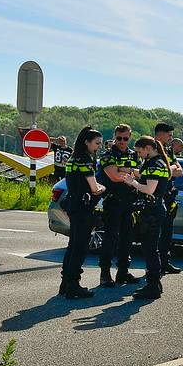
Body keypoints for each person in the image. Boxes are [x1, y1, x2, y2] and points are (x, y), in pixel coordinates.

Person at [59, 126, 107, 299]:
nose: (99, 147)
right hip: (84, 208)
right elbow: (94, 188)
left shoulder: (72, 159)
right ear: (86, 142)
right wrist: (102, 187)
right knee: (80, 248)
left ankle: (65, 283)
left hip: (73, 205)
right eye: (96, 143)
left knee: (72, 246)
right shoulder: (85, 160)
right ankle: (74, 285)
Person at [120, 136, 170, 300]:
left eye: (140, 151)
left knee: (149, 249)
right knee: (150, 248)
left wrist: (132, 183)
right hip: (155, 210)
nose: (140, 155)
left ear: (148, 148)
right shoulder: (158, 162)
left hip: (152, 212)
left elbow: (149, 189)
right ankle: (155, 284)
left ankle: (152, 286)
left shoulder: (155, 164)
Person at [97, 123, 140, 287]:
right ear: (114, 137)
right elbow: (114, 176)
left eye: (125, 138)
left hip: (129, 201)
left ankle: (123, 272)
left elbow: (138, 174)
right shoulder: (108, 154)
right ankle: (105, 273)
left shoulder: (133, 154)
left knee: (127, 238)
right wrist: (128, 173)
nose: (122, 141)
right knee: (110, 238)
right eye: (119, 138)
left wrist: (124, 171)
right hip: (113, 200)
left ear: (130, 137)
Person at [154, 123, 183, 274]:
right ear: (160, 134)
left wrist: (169, 169)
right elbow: (165, 172)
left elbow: (180, 171)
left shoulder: (168, 150)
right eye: (169, 135)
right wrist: (170, 169)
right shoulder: (152, 148)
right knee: (155, 234)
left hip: (169, 196)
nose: (171, 138)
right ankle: (154, 265)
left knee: (167, 232)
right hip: (157, 196)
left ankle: (165, 262)